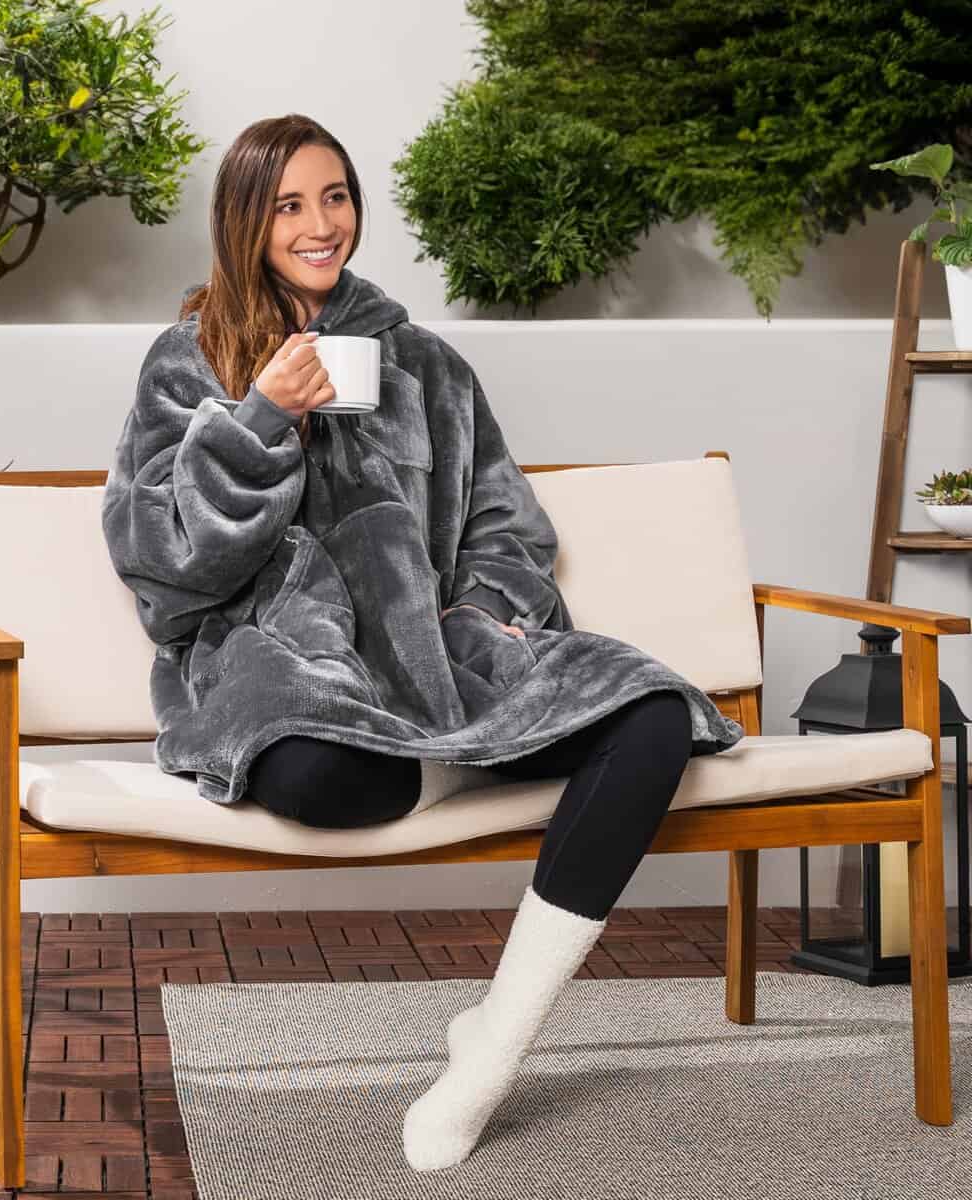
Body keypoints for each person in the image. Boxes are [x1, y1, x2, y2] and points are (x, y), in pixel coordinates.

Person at [101, 114, 746, 1172]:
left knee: (649, 712)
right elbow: (163, 562)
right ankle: (453, 760)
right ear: (245, 222)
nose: (320, 224)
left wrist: (481, 615)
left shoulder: (427, 365)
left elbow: (505, 524)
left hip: (445, 659)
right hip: (286, 660)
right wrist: (260, 419)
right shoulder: (189, 360)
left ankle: (495, 1040)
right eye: (289, 205)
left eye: (336, 196)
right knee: (320, 778)